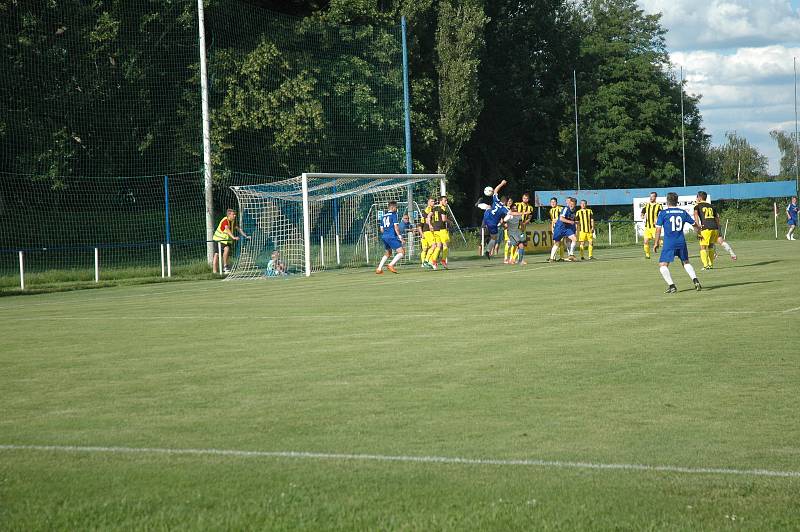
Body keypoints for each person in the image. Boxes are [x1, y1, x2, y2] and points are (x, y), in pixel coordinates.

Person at [654, 192, 702, 293]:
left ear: (667, 201)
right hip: (681, 242)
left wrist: (656, 243)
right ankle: (696, 280)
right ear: (677, 201)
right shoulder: (683, 212)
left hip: (669, 243)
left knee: (663, 265)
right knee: (685, 262)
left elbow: (658, 230)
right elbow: (695, 225)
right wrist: (699, 233)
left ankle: (672, 286)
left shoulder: (663, 213)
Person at [693, 191, 736, 270]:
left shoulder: (697, 206)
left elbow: (695, 214)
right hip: (715, 228)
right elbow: (717, 218)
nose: (696, 198)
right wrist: (718, 227)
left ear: (699, 197)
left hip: (706, 228)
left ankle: (705, 266)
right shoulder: (712, 206)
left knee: (703, 247)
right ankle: (711, 264)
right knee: (710, 246)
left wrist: (698, 226)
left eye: (697, 197)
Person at [212, 208, 250, 274]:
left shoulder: (233, 221)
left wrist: (246, 236)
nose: (235, 216)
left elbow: (238, 229)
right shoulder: (225, 221)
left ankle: (225, 267)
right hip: (219, 239)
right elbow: (227, 230)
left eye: (235, 214)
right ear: (229, 215)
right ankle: (218, 270)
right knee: (217, 254)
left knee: (225, 251)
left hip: (226, 240)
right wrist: (234, 237)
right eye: (233, 214)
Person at [480, 180, 509, 259]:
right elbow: (509, 215)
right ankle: (487, 251)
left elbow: (496, 190)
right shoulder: (504, 208)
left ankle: (479, 205)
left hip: (486, 217)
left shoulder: (496, 200)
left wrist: (502, 184)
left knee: (488, 207)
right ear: (505, 201)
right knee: (494, 237)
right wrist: (523, 213)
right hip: (492, 223)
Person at [376, 200, 405, 274]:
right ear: (392, 207)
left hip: (384, 236)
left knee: (388, 253)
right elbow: (396, 227)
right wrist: (400, 237)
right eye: (396, 207)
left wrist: (386, 234)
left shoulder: (383, 216)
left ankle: (379, 269)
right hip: (391, 236)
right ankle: (391, 265)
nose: (396, 209)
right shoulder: (393, 215)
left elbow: (381, 229)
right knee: (401, 252)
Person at [549, 197, 578, 262]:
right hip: (560, 227)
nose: (571, 205)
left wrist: (575, 222)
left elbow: (572, 219)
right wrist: (571, 222)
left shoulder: (574, 210)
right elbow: (561, 219)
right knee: (557, 243)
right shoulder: (565, 209)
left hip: (566, 228)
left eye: (573, 204)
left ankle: (571, 254)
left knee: (574, 239)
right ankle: (551, 258)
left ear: (575, 204)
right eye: (570, 203)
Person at [426, 196, 449, 270]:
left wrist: (430, 225)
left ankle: (433, 261)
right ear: (441, 201)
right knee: (445, 245)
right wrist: (449, 221)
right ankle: (443, 260)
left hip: (435, 229)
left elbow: (428, 217)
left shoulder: (434, 208)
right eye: (445, 201)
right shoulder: (442, 208)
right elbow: (443, 219)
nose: (446, 202)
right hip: (442, 229)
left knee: (438, 246)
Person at [641, 191, 662, 259]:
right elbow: (643, 212)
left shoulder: (658, 205)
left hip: (654, 227)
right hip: (647, 227)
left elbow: (662, 214)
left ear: (655, 197)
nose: (651, 198)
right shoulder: (647, 205)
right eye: (650, 196)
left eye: (652, 196)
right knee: (645, 241)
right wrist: (642, 215)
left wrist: (658, 220)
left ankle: (671, 250)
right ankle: (647, 255)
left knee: (658, 241)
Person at [419, 198, 436, 268]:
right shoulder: (429, 209)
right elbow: (426, 219)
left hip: (427, 231)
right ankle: (426, 261)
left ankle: (425, 262)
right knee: (433, 246)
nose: (433, 203)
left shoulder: (426, 212)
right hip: (427, 231)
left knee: (427, 248)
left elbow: (422, 222)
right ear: (428, 203)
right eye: (432, 201)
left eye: (434, 201)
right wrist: (430, 225)